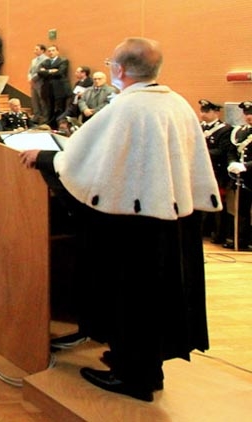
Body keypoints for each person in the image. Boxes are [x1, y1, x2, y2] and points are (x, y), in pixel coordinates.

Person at [20, 37, 220, 402]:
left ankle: (133, 376)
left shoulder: (126, 109)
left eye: (111, 62)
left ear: (120, 69)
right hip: (173, 219)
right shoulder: (177, 103)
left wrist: (44, 158)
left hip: (133, 225)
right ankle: (144, 364)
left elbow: (78, 163)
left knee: (133, 296)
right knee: (155, 298)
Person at [197, 99, 232, 245]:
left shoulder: (224, 129)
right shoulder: (200, 127)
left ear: (216, 112)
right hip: (200, 171)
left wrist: (201, 153)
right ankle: (203, 231)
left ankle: (219, 233)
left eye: (207, 111)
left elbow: (222, 151)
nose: (203, 114)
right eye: (202, 111)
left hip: (216, 171)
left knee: (217, 203)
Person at [226, 101, 252, 250]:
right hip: (242, 178)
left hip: (249, 173)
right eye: (247, 114)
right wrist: (232, 163)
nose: (249, 117)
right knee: (241, 210)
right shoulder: (239, 132)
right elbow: (231, 150)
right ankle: (241, 239)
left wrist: (246, 166)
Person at [37, 45, 72, 128]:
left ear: (57, 52)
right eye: (49, 51)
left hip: (60, 89)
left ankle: (59, 126)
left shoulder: (63, 60)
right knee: (49, 109)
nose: (51, 52)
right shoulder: (45, 62)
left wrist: (46, 71)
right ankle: (50, 125)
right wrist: (51, 71)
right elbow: (39, 73)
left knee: (60, 109)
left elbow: (60, 72)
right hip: (48, 89)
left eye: (53, 50)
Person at [27, 44, 48, 124]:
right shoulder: (34, 60)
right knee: (34, 100)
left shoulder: (46, 60)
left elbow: (41, 72)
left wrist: (33, 79)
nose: (34, 50)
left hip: (40, 82)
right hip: (33, 84)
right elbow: (30, 71)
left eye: (37, 49)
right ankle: (36, 116)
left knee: (42, 101)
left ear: (42, 50)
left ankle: (44, 117)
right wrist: (29, 78)